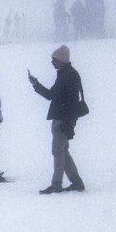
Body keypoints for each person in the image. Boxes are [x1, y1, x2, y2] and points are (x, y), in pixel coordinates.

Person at [27, 45, 85, 194]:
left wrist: (70, 121)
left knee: (58, 151)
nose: (52, 62)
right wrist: (36, 84)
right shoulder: (66, 74)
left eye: (54, 60)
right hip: (63, 118)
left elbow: (66, 99)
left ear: (61, 60)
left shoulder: (67, 76)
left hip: (62, 119)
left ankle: (56, 184)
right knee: (63, 152)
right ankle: (76, 182)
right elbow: (52, 95)